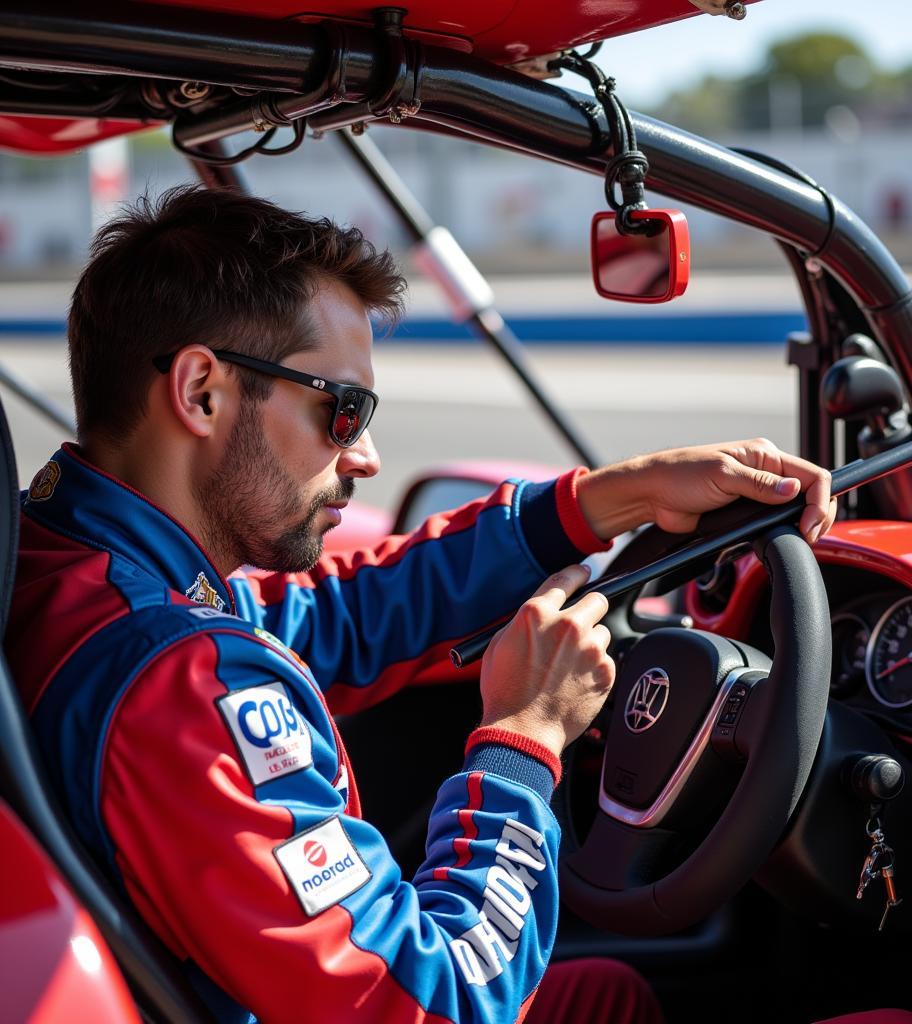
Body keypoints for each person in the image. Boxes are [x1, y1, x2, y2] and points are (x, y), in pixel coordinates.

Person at [8, 186, 835, 1024]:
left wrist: (613, 496)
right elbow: (436, 1002)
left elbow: (333, 621)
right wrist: (525, 739)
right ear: (201, 392)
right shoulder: (183, 685)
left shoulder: (66, 559)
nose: (364, 455)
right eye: (343, 410)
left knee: (607, 997)